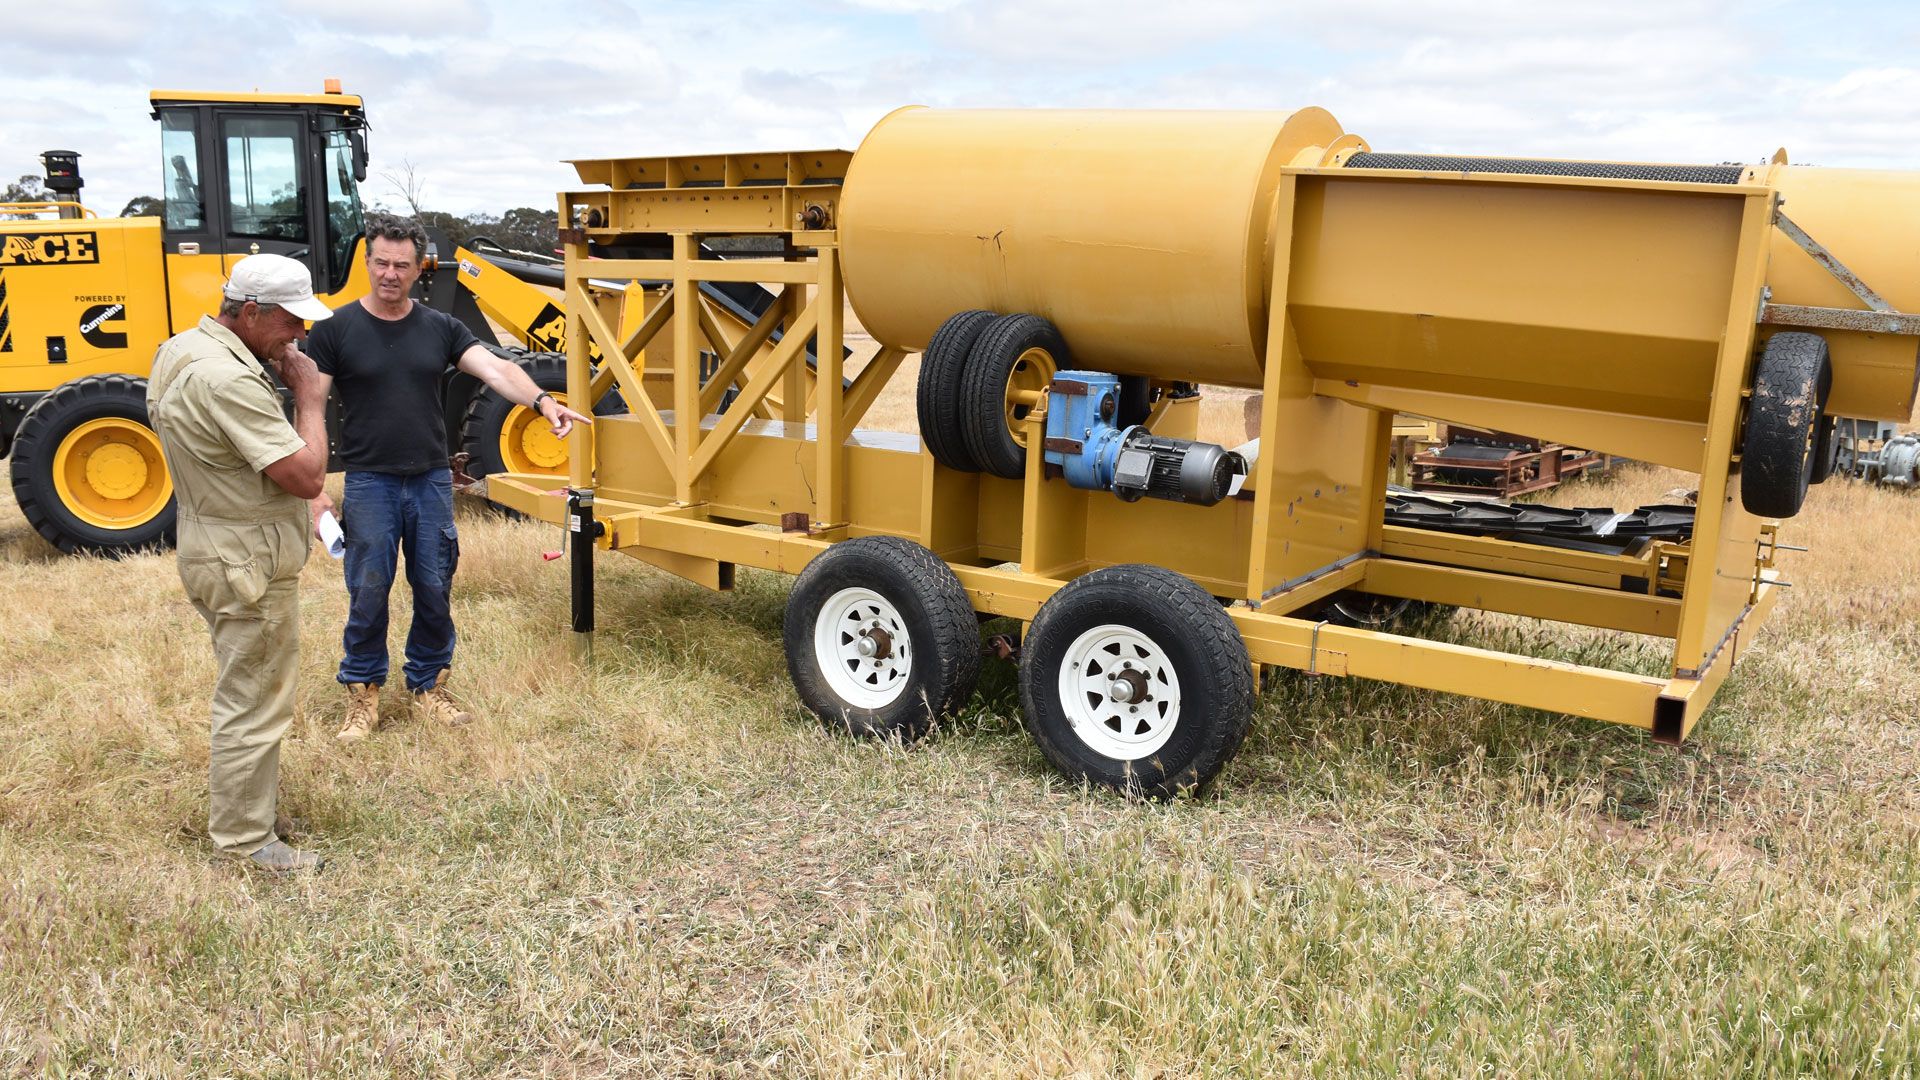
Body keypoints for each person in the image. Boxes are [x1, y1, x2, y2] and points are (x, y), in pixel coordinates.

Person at [304, 214, 590, 741]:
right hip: (370, 482)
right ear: (368, 263)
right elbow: (310, 407)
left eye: (402, 265)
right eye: (382, 263)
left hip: (431, 480)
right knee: (368, 589)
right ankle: (362, 695)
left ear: (419, 269)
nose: (390, 274)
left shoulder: (440, 328)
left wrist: (544, 401)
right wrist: (315, 490)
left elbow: (498, 369)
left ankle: (429, 686)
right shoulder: (334, 331)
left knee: (435, 586)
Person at [147, 254, 333, 873]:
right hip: (245, 559)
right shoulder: (226, 379)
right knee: (254, 700)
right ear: (248, 312)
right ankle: (247, 841)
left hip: (215, 544)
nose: (301, 335)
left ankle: (251, 812)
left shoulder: (183, 349)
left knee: (249, 687)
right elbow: (306, 475)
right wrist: (310, 399)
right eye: (290, 321)